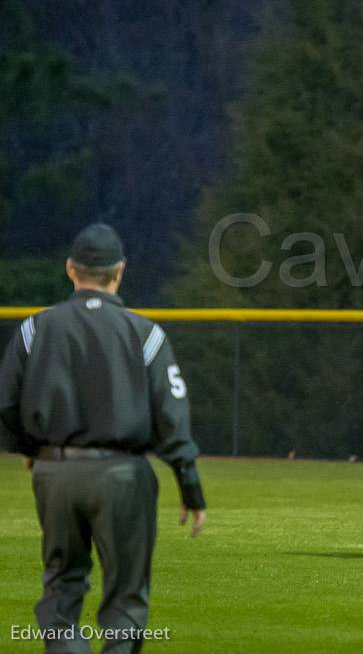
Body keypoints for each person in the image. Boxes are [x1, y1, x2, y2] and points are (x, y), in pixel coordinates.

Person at [0, 223, 206, 654]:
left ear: (70, 269)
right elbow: (172, 416)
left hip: (55, 471)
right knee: (126, 597)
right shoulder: (145, 333)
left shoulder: (34, 329)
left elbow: (5, 404)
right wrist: (189, 483)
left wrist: (28, 449)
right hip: (123, 475)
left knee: (60, 590)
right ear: (120, 271)